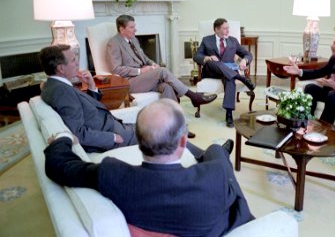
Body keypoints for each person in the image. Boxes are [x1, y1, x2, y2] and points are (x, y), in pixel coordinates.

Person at [44, 98, 254, 236]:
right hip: (213, 168)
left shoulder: (112, 175)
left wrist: (62, 137)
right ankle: (216, 150)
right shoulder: (214, 175)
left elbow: (59, 166)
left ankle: (213, 151)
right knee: (216, 152)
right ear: (183, 142)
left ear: (138, 139)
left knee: (215, 153)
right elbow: (241, 212)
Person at [39, 44, 137, 153]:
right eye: (73, 60)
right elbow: (78, 133)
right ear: (61, 68)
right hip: (108, 136)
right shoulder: (62, 92)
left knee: (148, 125)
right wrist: (112, 138)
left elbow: (85, 107)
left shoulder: (53, 85)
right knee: (154, 132)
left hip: (111, 126)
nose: (77, 63)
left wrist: (91, 85)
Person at [107, 15, 217, 111]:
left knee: (167, 87)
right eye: (132, 27)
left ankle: (175, 123)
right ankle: (193, 96)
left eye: (134, 26)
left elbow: (144, 58)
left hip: (145, 78)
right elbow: (116, 69)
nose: (135, 29)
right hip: (130, 82)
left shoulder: (134, 40)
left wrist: (153, 64)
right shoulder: (114, 43)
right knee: (162, 71)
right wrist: (140, 71)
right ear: (122, 29)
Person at [193, 18, 255, 127]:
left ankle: (229, 114)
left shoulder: (233, 40)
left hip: (228, 72)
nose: (228, 30)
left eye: (228, 28)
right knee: (213, 62)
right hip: (212, 70)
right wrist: (208, 58)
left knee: (229, 77)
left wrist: (245, 60)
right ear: (216, 29)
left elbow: (248, 54)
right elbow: (197, 56)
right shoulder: (206, 40)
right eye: (225, 28)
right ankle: (241, 78)